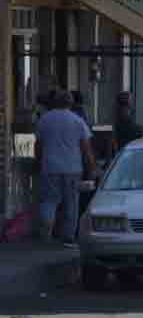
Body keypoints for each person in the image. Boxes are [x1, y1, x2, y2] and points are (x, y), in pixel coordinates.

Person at [33, 90, 97, 247]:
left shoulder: (44, 120)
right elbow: (86, 149)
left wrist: (39, 162)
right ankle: (68, 237)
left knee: (49, 201)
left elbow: (38, 146)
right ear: (71, 103)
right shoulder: (77, 121)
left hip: (50, 167)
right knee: (71, 203)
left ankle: (45, 234)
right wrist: (92, 167)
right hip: (73, 168)